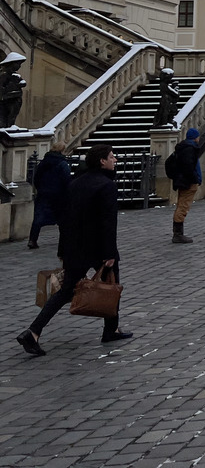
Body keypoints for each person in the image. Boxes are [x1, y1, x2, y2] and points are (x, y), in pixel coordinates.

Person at [17, 145, 131, 356]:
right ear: (102, 161)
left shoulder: (76, 183)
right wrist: (109, 253)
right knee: (111, 284)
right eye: (111, 157)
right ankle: (110, 330)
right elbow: (108, 223)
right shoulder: (106, 185)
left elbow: (65, 219)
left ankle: (33, 332)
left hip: (75, 246)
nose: (115, 160)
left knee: (66, 291)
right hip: (97, 247)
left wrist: (63, 248)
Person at [27, 140, 71, 249]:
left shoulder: (44, 162)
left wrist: (41, 188)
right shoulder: (62, 163)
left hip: (44, 193)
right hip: (59, 194)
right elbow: (66, 179)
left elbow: (36, 178)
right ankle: (64, 241)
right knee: (62, 219)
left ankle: (32, 240)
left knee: (38, 218)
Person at [170, 128, 202, 243]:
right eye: (198, 136)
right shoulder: (189, 149)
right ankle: (178, 234)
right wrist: (194, 178)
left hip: (184, 181)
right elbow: (188, 167)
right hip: (187, 182)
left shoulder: (185, 147)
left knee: (182, 205)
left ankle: (178, 233)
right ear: (195, 137)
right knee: (183, 206)